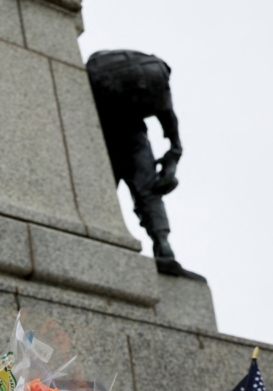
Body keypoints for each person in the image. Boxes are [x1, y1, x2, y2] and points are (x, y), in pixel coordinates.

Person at [86, 50, 203, 281]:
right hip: (133, 138)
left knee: (102, 189)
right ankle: (163, 246)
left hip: (103, 130)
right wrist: (174, 155)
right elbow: (170, 123)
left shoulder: (106, 72)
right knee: (148, 192)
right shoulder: (155, 85)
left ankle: (92, 234)